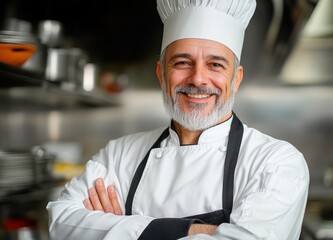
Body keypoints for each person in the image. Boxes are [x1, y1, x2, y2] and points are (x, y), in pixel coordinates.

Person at [47, 0, 310, 239]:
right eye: (183, 62)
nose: (198, 79)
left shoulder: (275, 162)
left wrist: (119, 228)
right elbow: (61, 222)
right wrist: (196, 230)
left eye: (215, 65)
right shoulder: (119, 155)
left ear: (236, 78)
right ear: (161, 73)